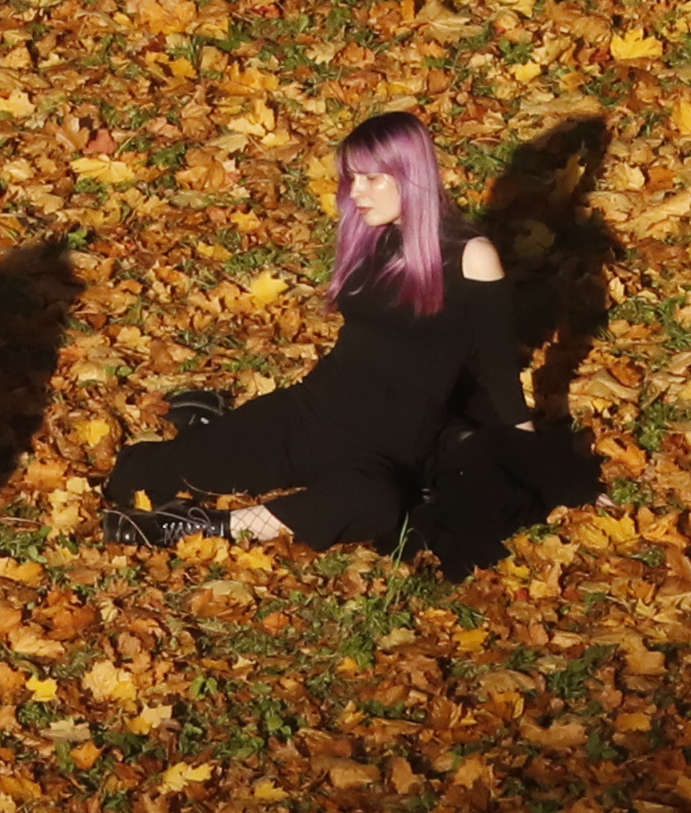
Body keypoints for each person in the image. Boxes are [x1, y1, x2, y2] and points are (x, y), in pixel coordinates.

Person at [104, 109, 528, 554]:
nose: (355, 192)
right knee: (135, 476)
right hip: (308, 414)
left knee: (374, 505)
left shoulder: (472, 257)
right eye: (352, 178)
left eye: (371, 179)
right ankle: (206, 428)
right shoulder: (370, 238)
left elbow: (500, 371)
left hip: (380, 451)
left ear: (411, 175)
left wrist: (535, 460)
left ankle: (204, 525)